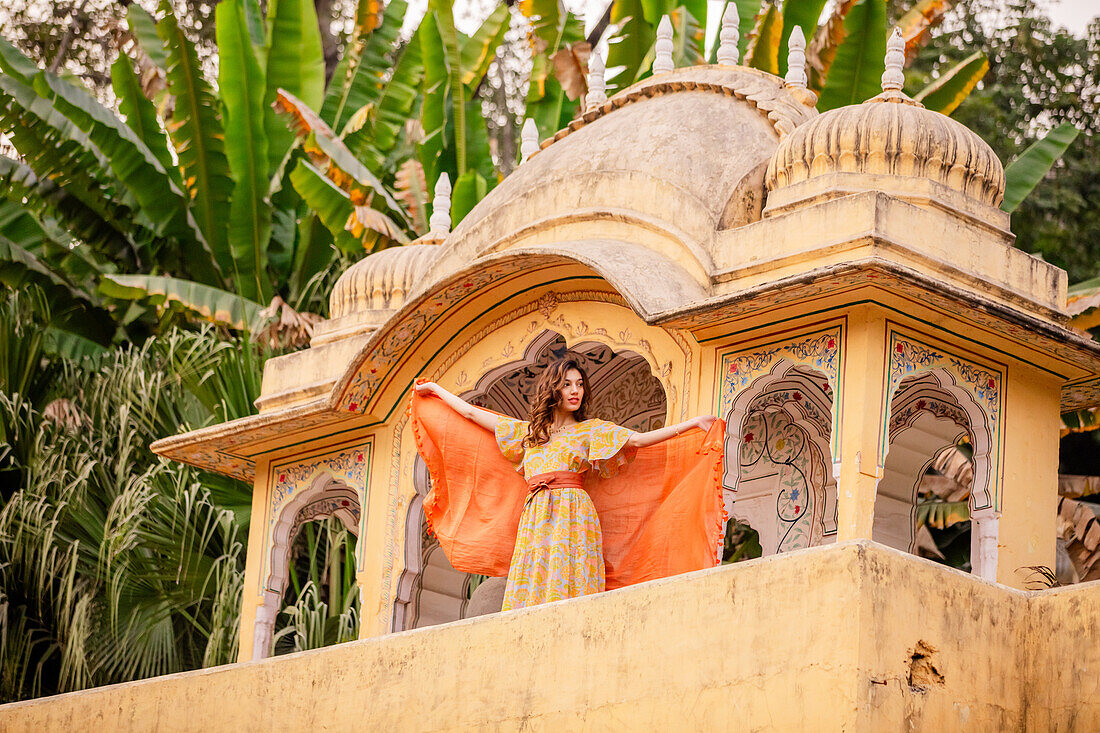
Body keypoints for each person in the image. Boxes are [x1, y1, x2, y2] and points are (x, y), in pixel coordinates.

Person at [411, 356, 726, 611]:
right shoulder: (528, 434)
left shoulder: (589, 431)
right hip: (535, 517)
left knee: (570, 585)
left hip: (574, 514)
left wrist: (692, 424)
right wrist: (437, 390)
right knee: (533, 585)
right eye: (567, 385)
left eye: (579, 385)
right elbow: (469, 413)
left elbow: (639, 440)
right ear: (553, 390)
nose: (576, 391)